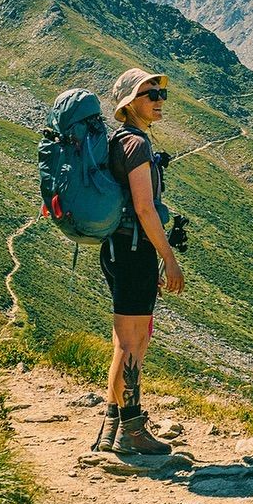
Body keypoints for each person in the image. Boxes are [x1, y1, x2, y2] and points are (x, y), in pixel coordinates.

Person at [93, 67, 186, 455]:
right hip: (134, 252)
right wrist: (169, 258)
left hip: (119, 249)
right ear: (130, 103)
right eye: (151, 95)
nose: (159, 101)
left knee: (125, 342)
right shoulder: (136, 145)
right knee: (133, 345)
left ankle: (110, 432)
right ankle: (131, 431)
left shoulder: (122, 141)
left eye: (161, 94)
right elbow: (146, 209)